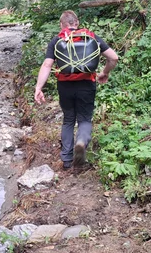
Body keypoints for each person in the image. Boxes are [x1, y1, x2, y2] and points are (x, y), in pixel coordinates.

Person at [34, 10, 119, 169]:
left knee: (68, 120)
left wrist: (39, 88)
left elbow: (47, 65)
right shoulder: (91, 36)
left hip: (65, 86)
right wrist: (105, 72)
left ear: (62, 25)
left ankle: (66, 160)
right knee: (85, 119)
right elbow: (113, 57)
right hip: (86, 84)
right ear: (77, 23)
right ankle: (81, 142)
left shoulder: (57, 40)